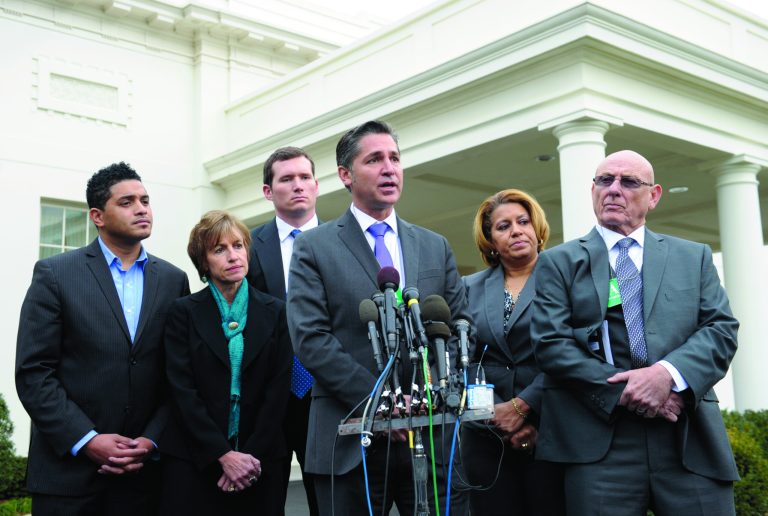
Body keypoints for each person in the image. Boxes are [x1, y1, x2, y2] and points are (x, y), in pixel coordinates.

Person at [531, 150, 739, 515]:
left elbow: (721, 330)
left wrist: (666, 377)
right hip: (598, 444)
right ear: (592, 189)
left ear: (654, 195)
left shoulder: (694, 257)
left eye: (629, 182)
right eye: (604, 180)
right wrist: (635, 390)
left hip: (685, 432)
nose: (614, 190)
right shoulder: (557, 262)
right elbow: (551, 344)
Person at [287, 120, 471, 515]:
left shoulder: (433, 245)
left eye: (395, 158)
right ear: (345, 175)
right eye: (374, 159)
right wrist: (382, 402)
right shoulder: (313, 248)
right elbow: (311, 339)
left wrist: (427, 395)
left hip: (432, 435)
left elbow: (458, 326)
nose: (389, 168)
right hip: (350, 437)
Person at [15, 162, 190, 516]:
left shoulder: (174, 280)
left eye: (145, 200)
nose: (141, 208)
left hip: (145, 477)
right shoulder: (55, 274)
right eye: (126, 202)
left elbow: (179, 375)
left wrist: (151, 439)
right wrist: (87, 440)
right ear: (97, 215)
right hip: (68, 477)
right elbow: (34, 373)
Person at [159, 210, 292, 516]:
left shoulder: (275, 312)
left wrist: (246, 459)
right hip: (196, 460)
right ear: (204, 262)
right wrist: (222, 454)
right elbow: (182, 390)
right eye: (219, 249)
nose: (233, 256)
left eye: (238, 245)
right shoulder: (183, 313)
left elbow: (278, 390)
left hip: (259, 461)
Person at [461, 189, 564, 515]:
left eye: (523, 221)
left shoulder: (567, 276)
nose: (516, 230)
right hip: (486, 439)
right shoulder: (468, 287)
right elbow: (461, 359)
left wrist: (523, 408)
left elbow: (574, 351)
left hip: (553, 426)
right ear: (490, 239)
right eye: (503, 226)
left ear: (537, 229)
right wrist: (493, 417)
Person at [246, 146, 321, 516]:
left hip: (327, 397)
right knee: (265, 503)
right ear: (268, 190)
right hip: (266, 401)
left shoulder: (346, 243)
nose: (298, 185)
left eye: (305, 177)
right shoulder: (244, 247)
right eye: (286, 179)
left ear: (317, 185)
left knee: (333, 502)